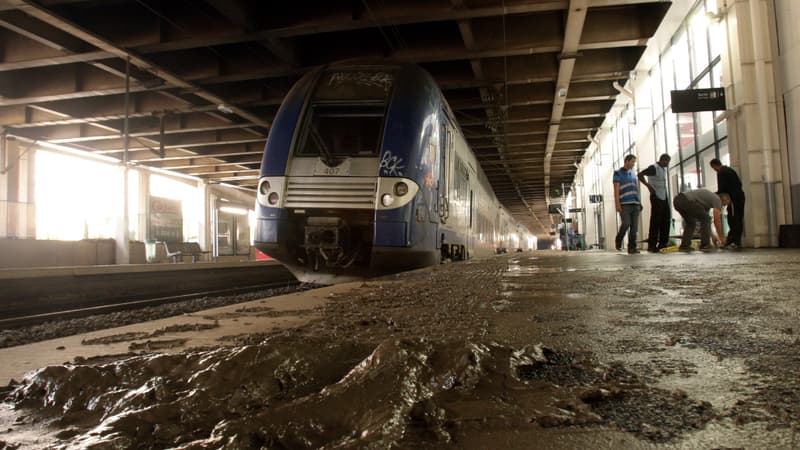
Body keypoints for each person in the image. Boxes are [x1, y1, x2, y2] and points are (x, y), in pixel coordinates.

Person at [638, 153, 671, 253]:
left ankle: (662, 244)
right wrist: (648, 186)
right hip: (656, 197)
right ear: (662, 160)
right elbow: (640, 174)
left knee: (666, 220)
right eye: (667, 162)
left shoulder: (662, 169)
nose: (667, 164)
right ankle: (652, 245)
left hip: (664, 197)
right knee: (656, 221)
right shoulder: (654, 168)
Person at [710, 158, 745, 249]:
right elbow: (739, 184)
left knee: (733, 219)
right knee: (737, 218)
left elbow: (722, 189)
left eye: (714, 168)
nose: (714, 170)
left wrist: (715, 195)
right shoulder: (729, 170)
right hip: (738, 196)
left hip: (733, 198)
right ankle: (733, 240)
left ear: (715, 166)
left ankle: (734, 241)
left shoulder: (722, 172)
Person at [613, 154, 641, 254]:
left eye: (634, 162)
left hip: (635, 203)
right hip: (624, 204)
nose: (634, 164)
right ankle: (619, 239)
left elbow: (635, 189)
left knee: (634, 227)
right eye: (632, 161)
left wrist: (639, 202)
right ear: (626, 161)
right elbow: (616, 190)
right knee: (626, 223)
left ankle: (632, 248)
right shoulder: (617, 173)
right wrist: (617, 204)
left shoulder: (633, 174)